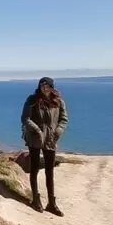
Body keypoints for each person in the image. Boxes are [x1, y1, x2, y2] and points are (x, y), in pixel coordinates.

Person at [21, 77, 68, 216]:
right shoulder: (32, 100)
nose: (44, 88)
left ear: (52, 87)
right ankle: (36, 199)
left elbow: (64, 119)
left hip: (51, 139)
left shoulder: (59, 101)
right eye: (42, 86)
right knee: (34, 168)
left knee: (49, 171)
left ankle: (52, 203)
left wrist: (58, 131)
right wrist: (37, 130)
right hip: (35, 138)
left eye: (47, 86)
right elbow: (25, 118)